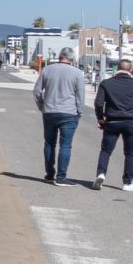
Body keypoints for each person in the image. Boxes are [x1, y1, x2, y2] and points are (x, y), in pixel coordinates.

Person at [33, 47, 87, 184]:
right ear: (72, 58)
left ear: (59, 56)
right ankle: (61, 177)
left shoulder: (47, 70)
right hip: (69, 113)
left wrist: (42, 106)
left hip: (49, 111)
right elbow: (80, 95)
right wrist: (79, 111)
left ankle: (49, 174)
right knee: (66, 145)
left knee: (49, 143)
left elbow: (37, 91)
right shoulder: (77, 73)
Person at [94, 57, 133, 191]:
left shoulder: (106, 83)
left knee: (106, 150)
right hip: (130, 121)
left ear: (117, 69)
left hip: (112, 121)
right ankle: (127, 183)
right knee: (130, 153)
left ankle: (101, 174)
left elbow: (99, 103)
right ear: (131, 70)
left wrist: (100, 118)